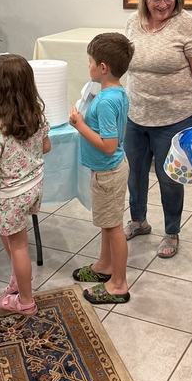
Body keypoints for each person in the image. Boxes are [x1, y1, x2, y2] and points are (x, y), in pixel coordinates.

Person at [123, 0, 192, 259]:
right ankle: (138, 220)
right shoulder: (132, 23)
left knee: (169, 177)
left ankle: (172, 231)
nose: (163, 4)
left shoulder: (187, 24)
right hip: (136, 112)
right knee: (134, 172)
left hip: (175, 116)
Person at [0, 54, 51, 316]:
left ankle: (25, 300)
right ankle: (19, 278)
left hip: (11, 194)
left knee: (18, 245)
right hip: (33, 186)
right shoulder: (35, 116)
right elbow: (46, 147)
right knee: (1, 225)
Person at [69, 33, 134, 304]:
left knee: (113, 227)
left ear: (103, 67)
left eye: (90, 62)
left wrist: (80, 125)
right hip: (109, 170)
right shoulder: (115, 93)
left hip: (108, 172)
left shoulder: (107, 101)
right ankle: (105, 266)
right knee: (108, 224)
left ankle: (118, 283)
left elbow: (108, 145)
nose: (89, 66)